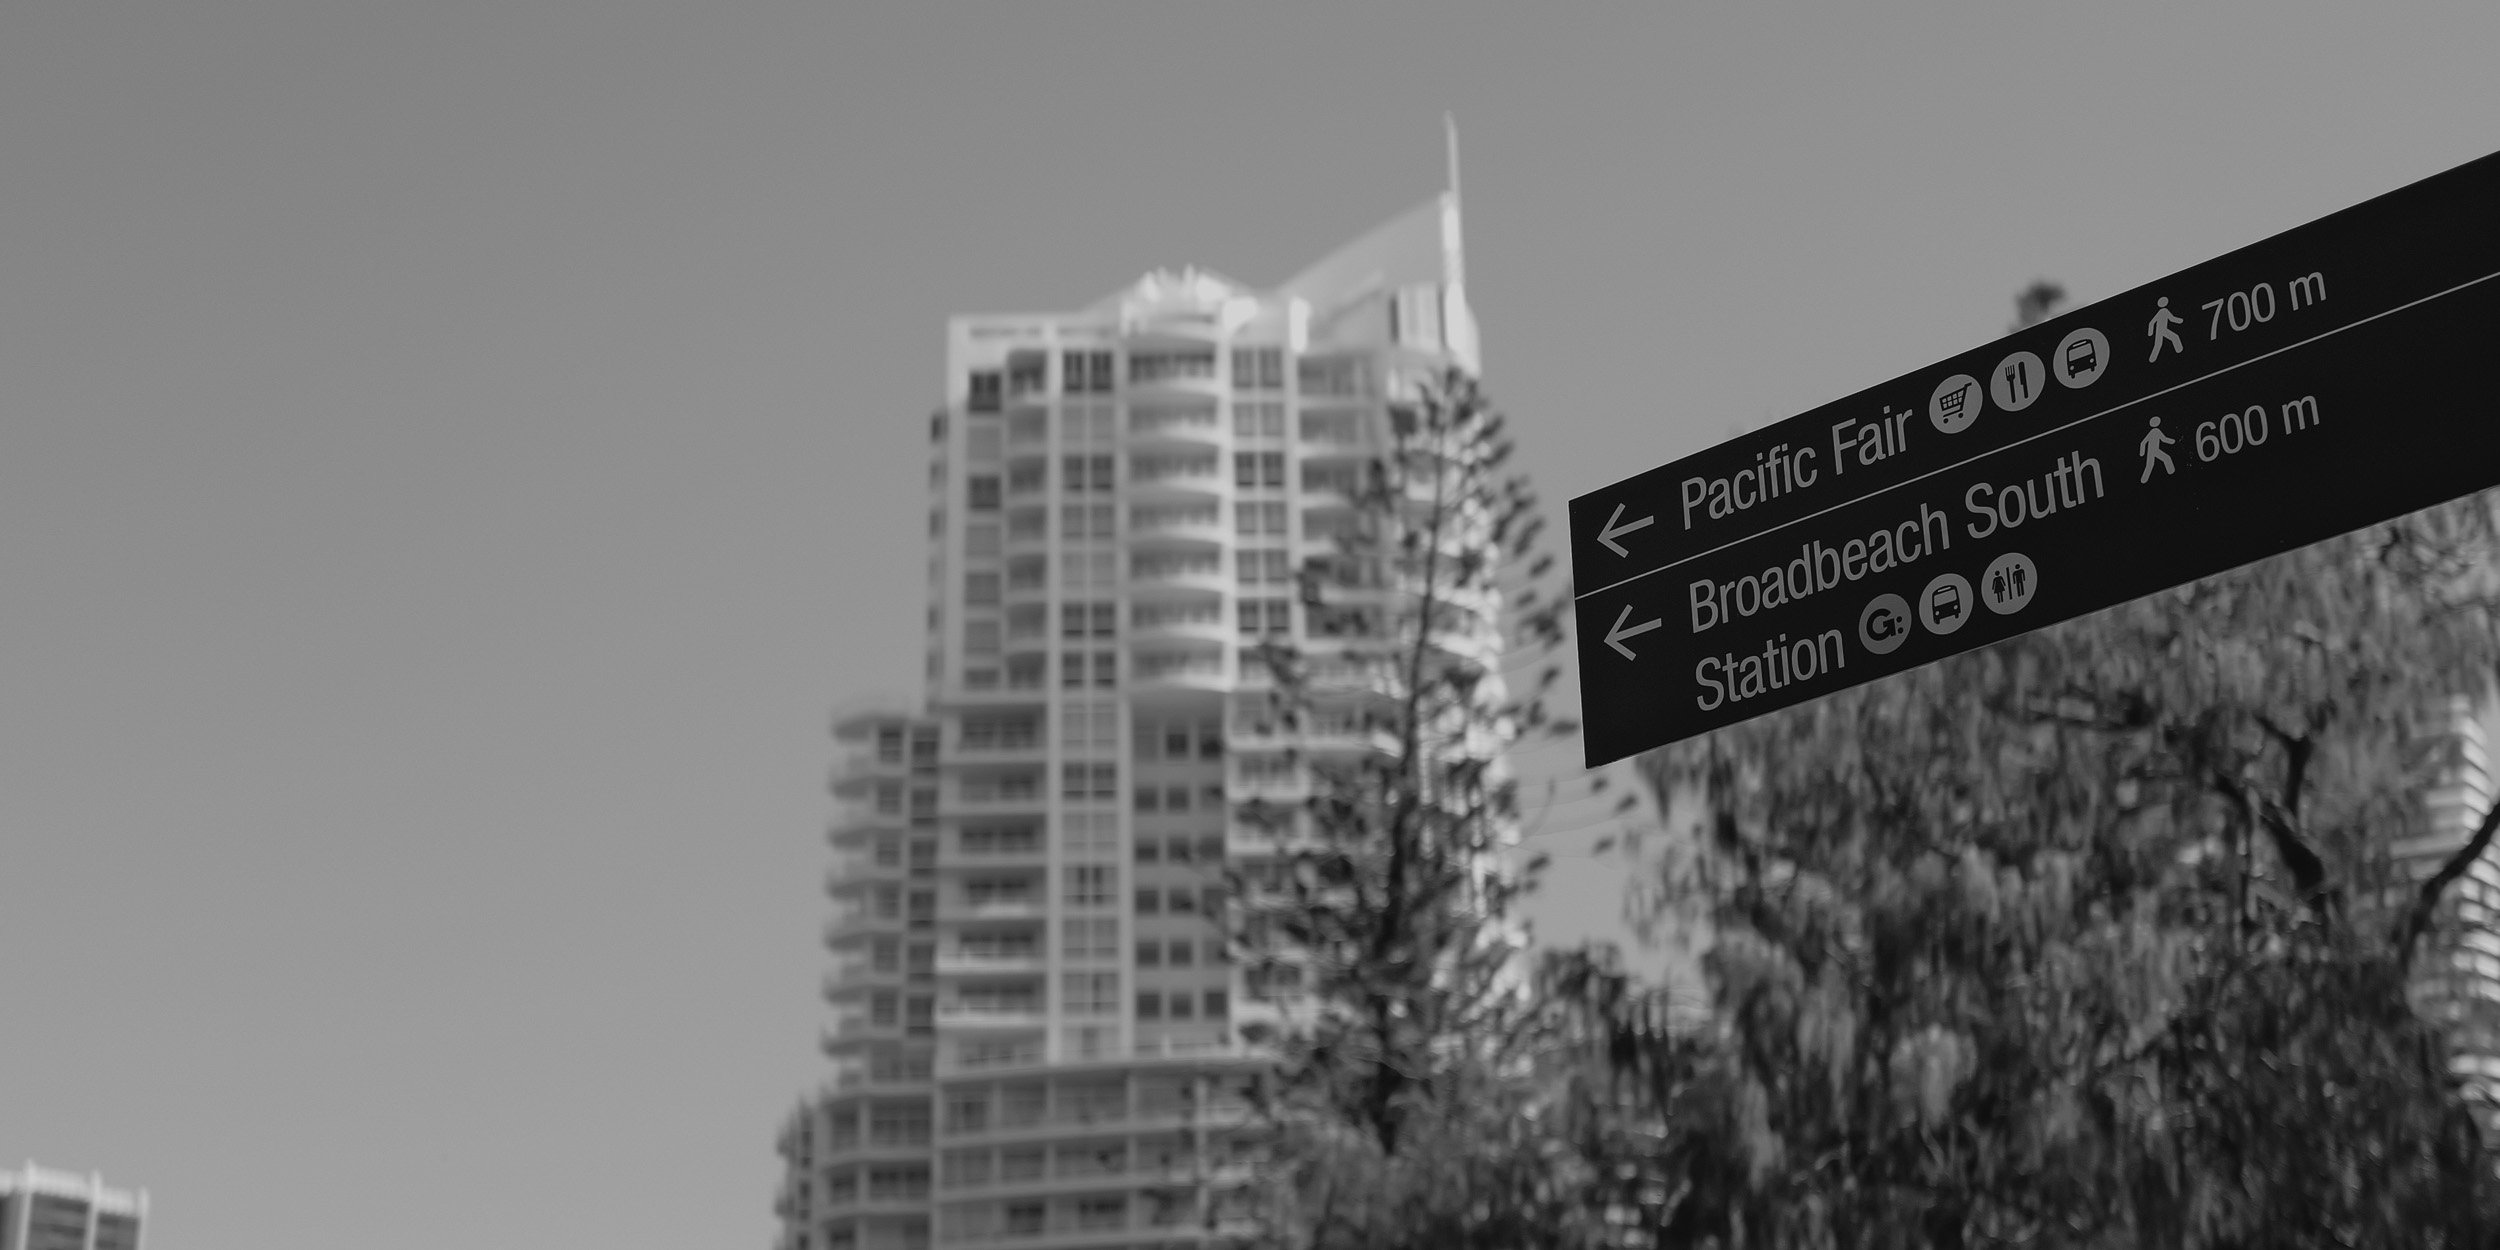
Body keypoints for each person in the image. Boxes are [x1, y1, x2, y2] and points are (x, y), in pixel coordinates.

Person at [2148, 296, 2186, 362]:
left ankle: (2152, 359)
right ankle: (2152, 359)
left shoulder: (2164, 311)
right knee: (2163, 342)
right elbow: (2152, 322)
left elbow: (2171, 318)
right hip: (2161, 330)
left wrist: (2179, 321)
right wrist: (2150, 332)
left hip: (2161, 330)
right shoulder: (2163, 311)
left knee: (2160, 343)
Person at [2139, 416, 2177, 482]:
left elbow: (2143, 442)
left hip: (2153, 451)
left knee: (2153, 463)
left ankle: (2171, 472)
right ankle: (2143, 480)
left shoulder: (2154, 431)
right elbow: (2144, 442)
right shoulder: (2155, 431)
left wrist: (2142, 452)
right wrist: (2172, 441)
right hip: (2153, 451)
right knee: (2162, 460)